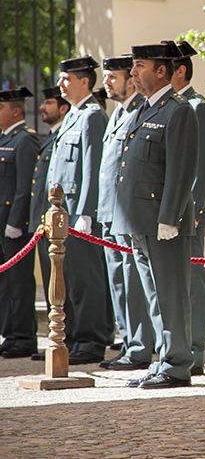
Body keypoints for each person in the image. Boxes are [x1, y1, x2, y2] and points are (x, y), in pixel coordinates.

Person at [115, 41, 199, 389]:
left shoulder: (178, 111)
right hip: (139, 218)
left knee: (170, 294)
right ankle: (164, 358)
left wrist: (170, 217)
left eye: (140, 66)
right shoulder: (143, 110)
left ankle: (177, 364)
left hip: (162, 221)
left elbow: (182, 169)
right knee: (153, 295)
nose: (132, 72)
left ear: (161, 71)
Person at [49, 55, 111, 365]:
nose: (61, 83)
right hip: (63, 213)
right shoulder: (73, 115)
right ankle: (73, 336)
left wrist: (87, 210)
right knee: (69, 277)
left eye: (66, 79)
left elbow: (93, 166)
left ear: (84, 81)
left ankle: (91, 339)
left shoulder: (91, 116)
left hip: (79, 213)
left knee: (87, 278)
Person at [96, 54, 150, 371]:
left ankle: (142, 346)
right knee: (118, 280)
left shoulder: (141, 112)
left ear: (131, 80)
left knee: (132, 280)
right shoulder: (117, 113)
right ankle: (128, 341)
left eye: (112, 76)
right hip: (110, 210)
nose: (107, 82)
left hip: (128, 211)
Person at [170, 40, 205, 374]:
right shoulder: (171, 106)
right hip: (170, 211)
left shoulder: (197, 107)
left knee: (193, 282)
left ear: (180, 71)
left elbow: (202, 168)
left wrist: (195, 211)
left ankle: (196, 352)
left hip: (189, 211)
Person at [28, 87, 71, 361]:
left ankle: (76, 338)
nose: (42, 107)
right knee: (51, 280)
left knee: (69, 282)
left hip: (62, 224)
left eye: (49, 102)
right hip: (47, 224)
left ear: (63, 108)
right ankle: (63, 337)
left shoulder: (66, 132)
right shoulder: (50, 138)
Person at [0, 87, 40, 359]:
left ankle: (24, 337)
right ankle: (10, 334)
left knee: (19, 281)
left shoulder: (25, 140)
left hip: (15, 224)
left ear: (16, 111)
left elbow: (25, 187)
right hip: (2, 224)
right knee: (5, 282)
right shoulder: (5, 138)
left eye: (1, 107)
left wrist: (16, 221)